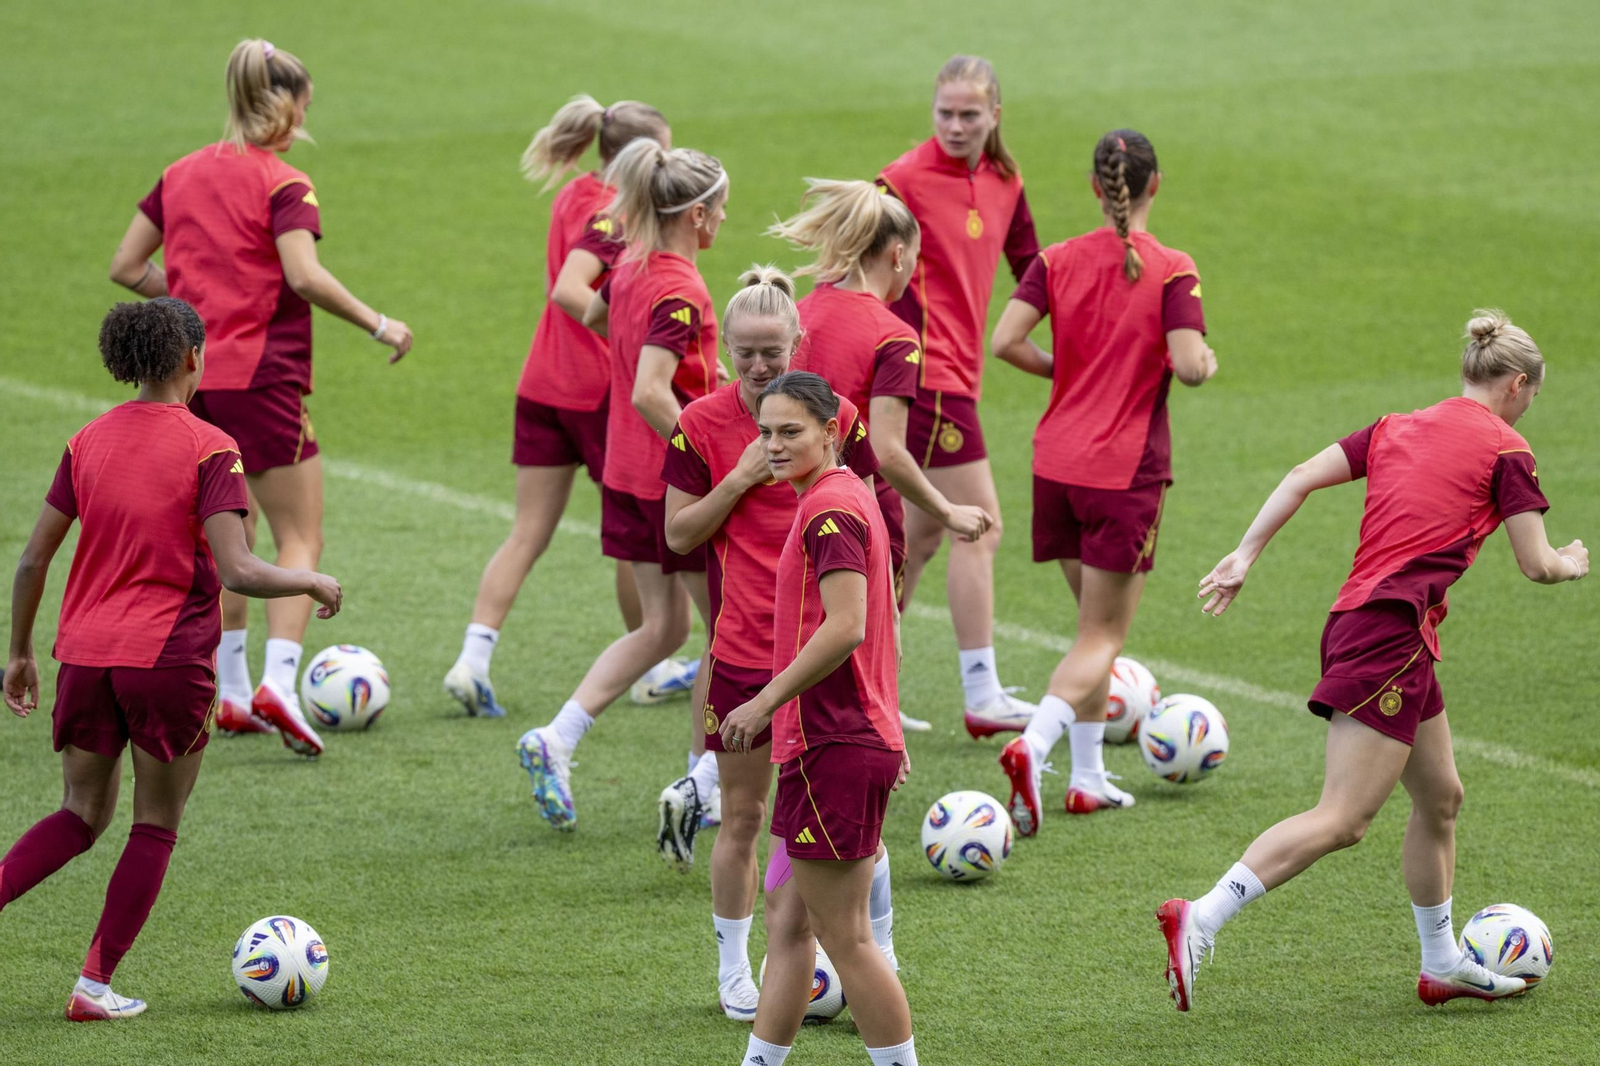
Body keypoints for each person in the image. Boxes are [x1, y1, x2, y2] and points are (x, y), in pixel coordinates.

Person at [1159, 310, 1586, 1011]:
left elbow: (1301, 475)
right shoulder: (1508, 449)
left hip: (1376, 627)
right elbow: (1536, 564)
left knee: (1441, 798)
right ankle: (1201, 916)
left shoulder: (1397, 426)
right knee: (1344, 818)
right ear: (1517, 384)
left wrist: (1244, 554)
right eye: (1532, 396)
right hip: (1388, 634)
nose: (1528, 409)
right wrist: (1571, 561)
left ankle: (1441, 962)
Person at [2, 299, 342, 1021]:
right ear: (192, 357)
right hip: (167, 661)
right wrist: (309, 579)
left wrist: (19, 652)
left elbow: (32, 560)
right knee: (155, 821)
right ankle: (93, 986)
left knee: (79, 813)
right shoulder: (211, 447)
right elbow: (239, 569)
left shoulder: (86, 440)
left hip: (84, 656)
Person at [107, 38, 410, 756]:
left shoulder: (179, 173)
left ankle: (236, 696)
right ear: (290, 105)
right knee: (300, 534)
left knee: (228, 540)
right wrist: (379, 323)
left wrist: (194, 297)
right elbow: (302, 275)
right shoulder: (284, 182)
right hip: (263, 378)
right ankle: (280, 680)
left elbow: (126, 265)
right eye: (307, 104)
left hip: (194, 379)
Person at [654, 269, 895, 1021]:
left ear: (798, 343)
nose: (759, 367)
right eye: (745, 354)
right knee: (743, 816)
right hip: (744, 652)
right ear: (723, 350)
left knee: (851, 820)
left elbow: (870, 527)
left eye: (773, 352)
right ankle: (735, 971)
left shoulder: (832, 417)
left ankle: (876, 958)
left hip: (825, 657)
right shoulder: (699, 424)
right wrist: (736, 481)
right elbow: (678, 534)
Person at [990, 129, 1216, 834]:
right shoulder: (1173, 268)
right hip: (1123, 474)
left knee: (1091, 633)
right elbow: (1188, 364)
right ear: (1156, 184)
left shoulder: (1056, 259)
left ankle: (1087, 779)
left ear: (1095, 187)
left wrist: (1069, 371)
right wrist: (1204, 360)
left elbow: (1005, 341)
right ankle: (1034, 747)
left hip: (1055, 467)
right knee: (1102, 637)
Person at [441, 94, 695, 717]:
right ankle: (652, 663)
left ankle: (473, 657)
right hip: (599, 392)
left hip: (542, 379)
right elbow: (568, 288)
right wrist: (627, 335)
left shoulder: (571, 194)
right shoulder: (621, 214)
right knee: (637, 529)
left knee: (527, 532)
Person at [517, 139, 726, 831]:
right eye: (721, 209)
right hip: (674, 485)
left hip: (627, 473)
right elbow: (649, 391)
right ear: (697, 215)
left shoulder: (631, 268)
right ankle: (704, 781)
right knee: (726, 632)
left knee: (663, 627)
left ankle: (558, 736)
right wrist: (710, 459)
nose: (725, 220)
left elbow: (602, 320)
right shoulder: (682, 287)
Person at [719, 371, 914, 1066]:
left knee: (847, 938)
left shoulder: (830, 509)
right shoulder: (846, 494)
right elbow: (883, 625)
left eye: (790, 432)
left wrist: (763, 701)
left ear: (831, 432)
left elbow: (848, 625)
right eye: (765, 432)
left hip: (834, 743)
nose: (773, 445)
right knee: (787, 924)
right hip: (832, 743)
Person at [771, 177, 997, 735]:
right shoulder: (893, 335)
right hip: (858, 511)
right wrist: (948, 511)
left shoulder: (802, 312)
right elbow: (889, 452)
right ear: (897, 255)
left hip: (786, 500)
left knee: (791, 637)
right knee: (862, 646)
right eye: (913, 261)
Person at [876, 54, 1039, 733]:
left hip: (957, 376)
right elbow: (859, 266)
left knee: (914, 538)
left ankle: (864, 683)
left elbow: (1033, 270)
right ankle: (982, 694)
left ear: (994, 114)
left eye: (970, 114)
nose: (956, 125)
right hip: (926, 377)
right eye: (945, 113)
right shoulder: (901, 181)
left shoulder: (1004, 179)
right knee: (981, 524)